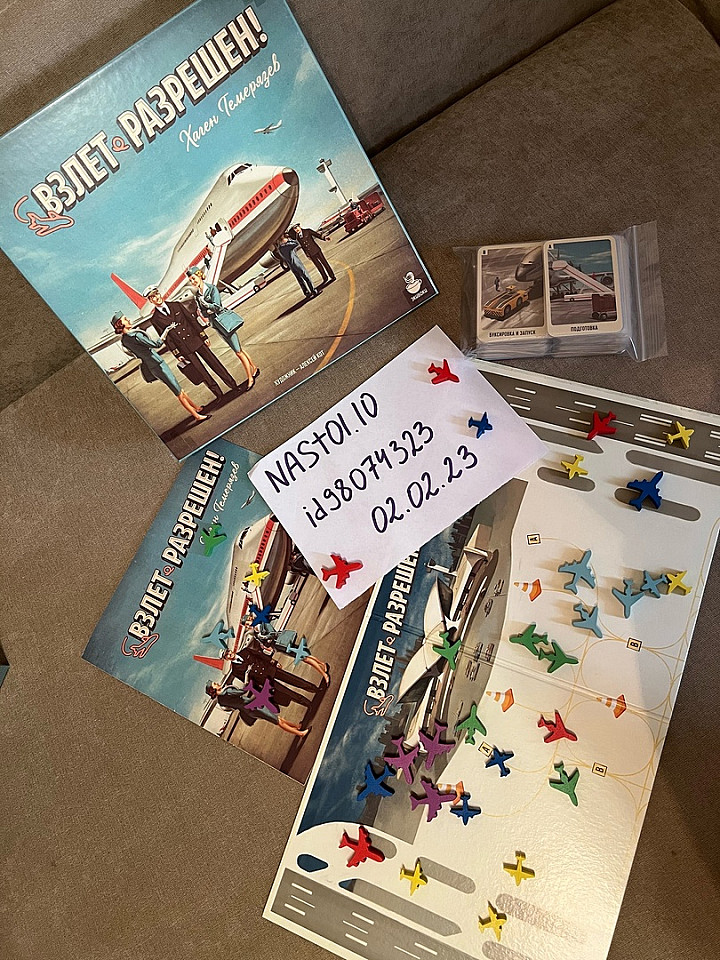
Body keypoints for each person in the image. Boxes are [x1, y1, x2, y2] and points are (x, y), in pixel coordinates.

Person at [143, 284, 238, 401]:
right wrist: (177, 354)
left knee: (215, 364)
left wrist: (203, 336)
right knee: (202, 373)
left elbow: (192, 320)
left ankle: (233, 385)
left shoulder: (176, 305)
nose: (156, 297)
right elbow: (167, 339)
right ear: (150, 301)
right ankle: (219, 395)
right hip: (184, 348)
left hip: (195, 339)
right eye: (152, 297)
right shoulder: (155, 319)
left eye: (157, 294)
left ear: (159, 293)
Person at [111, 312, 210, 423]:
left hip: (152, 366)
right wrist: (166, 331)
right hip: (158, 364)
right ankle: (197, 416)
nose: (128, 320)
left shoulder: (124, 340)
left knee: (177, 387)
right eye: (125, 319)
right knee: (178, 392)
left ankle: (196, 408)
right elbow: (156, 344)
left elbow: (134, 353)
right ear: (120, 324)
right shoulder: (136, 335)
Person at [186, 267, 260, 390]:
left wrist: (207, 306)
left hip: (225, 323)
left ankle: (250, 378)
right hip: (217, 326)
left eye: (193, 278)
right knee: (238, 350)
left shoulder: (212, 289)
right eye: (190, 280)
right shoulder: (198, 295)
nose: (193, 282)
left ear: (199, 275)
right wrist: (207, 310)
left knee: (238, 352)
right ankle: (254, 368)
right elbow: (203, 313)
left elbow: (218, 307)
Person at [205, 681, 310, 738]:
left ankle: (297, 727)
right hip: (253, 706)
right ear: (212, 689)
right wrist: (247, 682)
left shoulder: (221, 701)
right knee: (277, 721)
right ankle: (300, 733)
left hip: (249, 710)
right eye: (214, 684)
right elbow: (242, 692)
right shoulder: (227, 692)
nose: (217, 683)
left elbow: (232, 707)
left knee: (276, 718)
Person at [275, 233, 318, 299]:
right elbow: (296, 243)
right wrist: (288, 240)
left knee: (300, 279)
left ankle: (306, 293)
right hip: (297, 264)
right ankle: (313, 291)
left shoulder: (280, 249)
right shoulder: (287, 246)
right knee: (306, 277)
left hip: (291, 266)